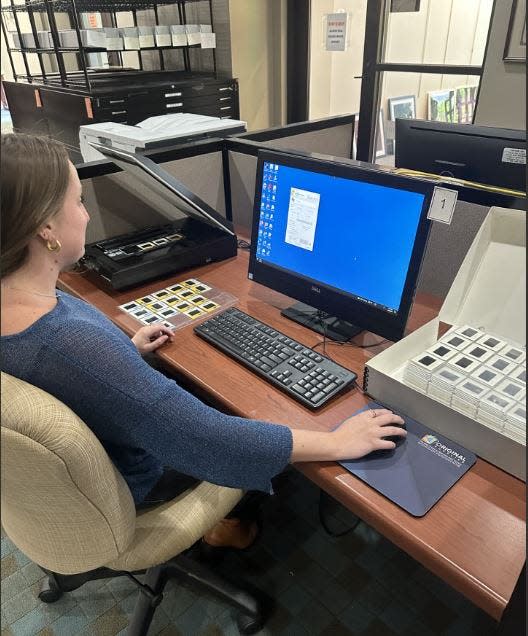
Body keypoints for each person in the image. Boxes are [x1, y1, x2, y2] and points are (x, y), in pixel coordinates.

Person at [0, 133, 406, 548]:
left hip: (85, 468)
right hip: (139, 479)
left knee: (208, 384)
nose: (86, 215)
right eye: (80, 200)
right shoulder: (70, 346)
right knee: (235, 406)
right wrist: (338, 440)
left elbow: (68, 369)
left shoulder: (21, 309)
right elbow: (208, 439)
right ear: (45, 226)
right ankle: (229, 527)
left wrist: (123, 352)